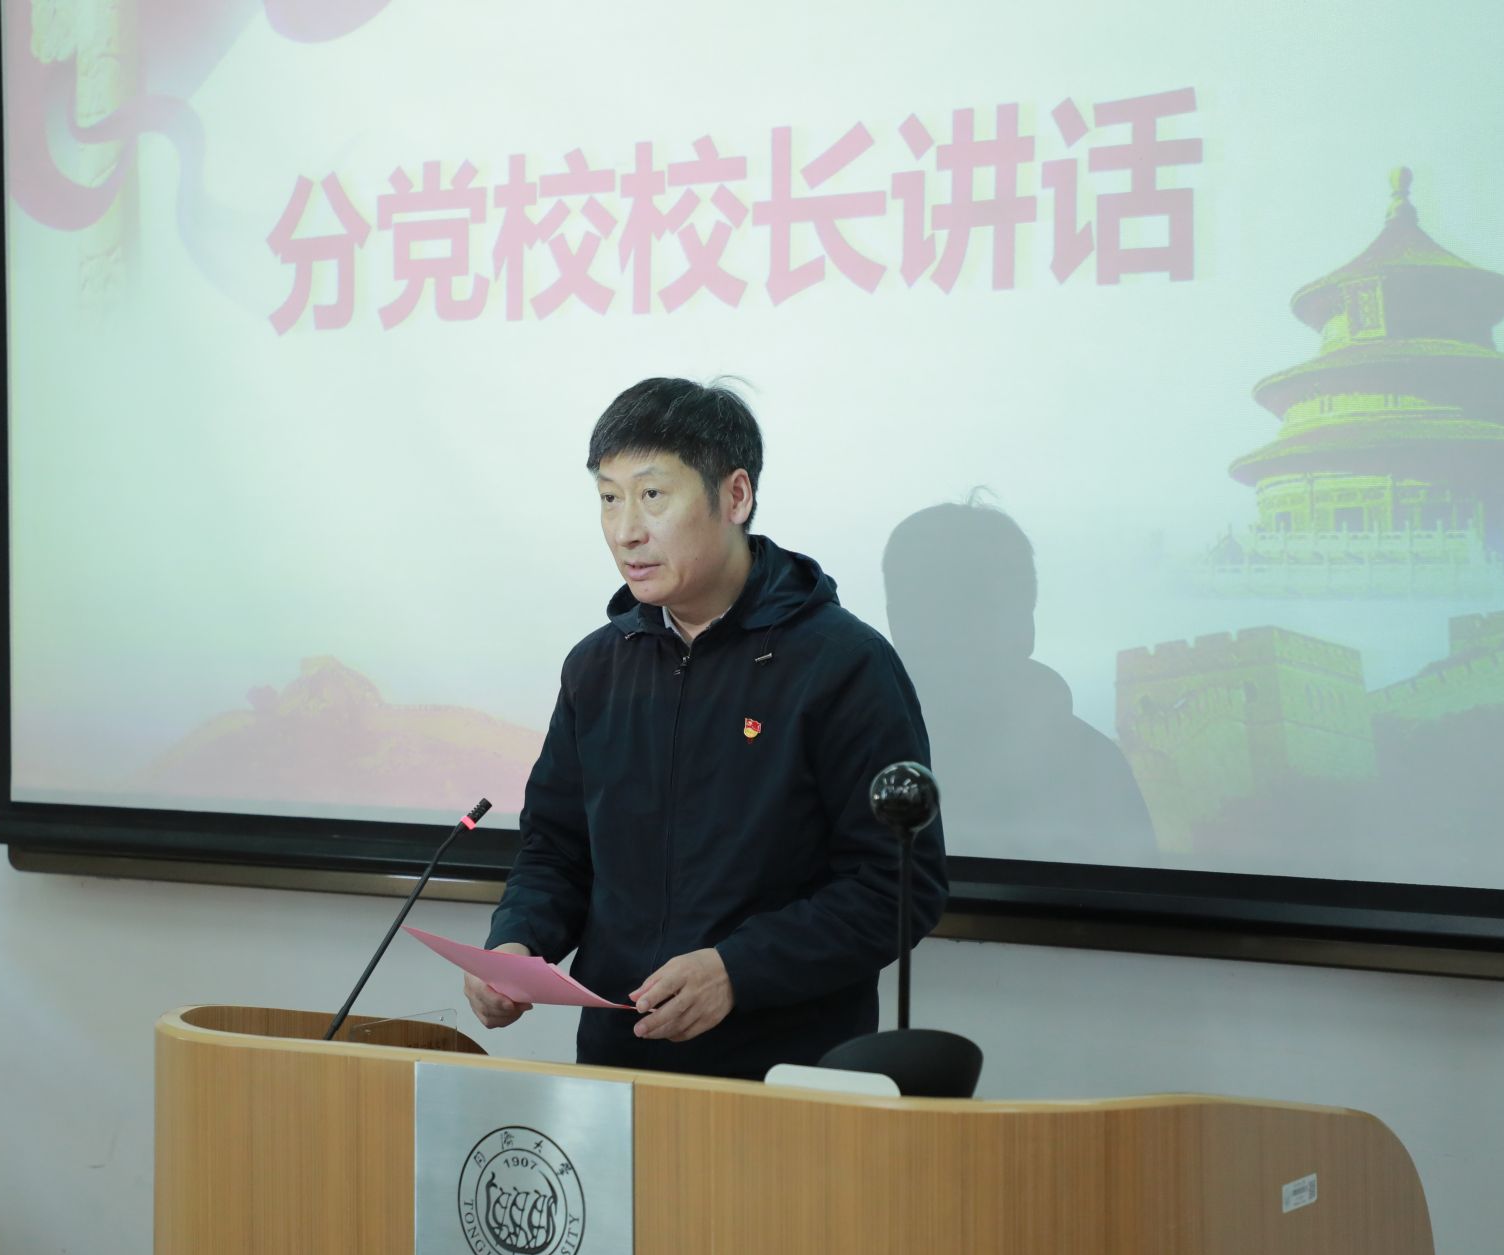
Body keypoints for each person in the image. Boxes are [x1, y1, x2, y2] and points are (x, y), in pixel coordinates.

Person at [464, 378, 948, 1079]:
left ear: (736, 496)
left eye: (653, 495)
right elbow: (557, 850)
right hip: (619, 1064)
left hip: (785, 1073)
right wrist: (516, 943)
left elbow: (897, 886)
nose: (627, 530)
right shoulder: (597, 667)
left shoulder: (842, 664)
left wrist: (737, 970)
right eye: (609, 498)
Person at [881, 496, 1156, 863]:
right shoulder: (847, 755)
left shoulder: (1097, 771)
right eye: (945, 604)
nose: (964, 631)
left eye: (979, 603)